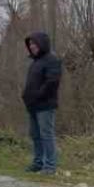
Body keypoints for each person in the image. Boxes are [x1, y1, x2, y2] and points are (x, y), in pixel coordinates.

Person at [22, 31, 63, 174]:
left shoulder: (52, 60)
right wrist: (26, 97)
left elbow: (52, 82)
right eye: (30, 44)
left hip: (45, 105)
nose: (32, 46)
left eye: (34, 43)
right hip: (33, 105)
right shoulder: (36, 62)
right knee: (35, 135)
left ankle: (50, 166)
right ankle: (38, 163)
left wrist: (38, 95)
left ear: (42, 44)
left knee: (46, 135)